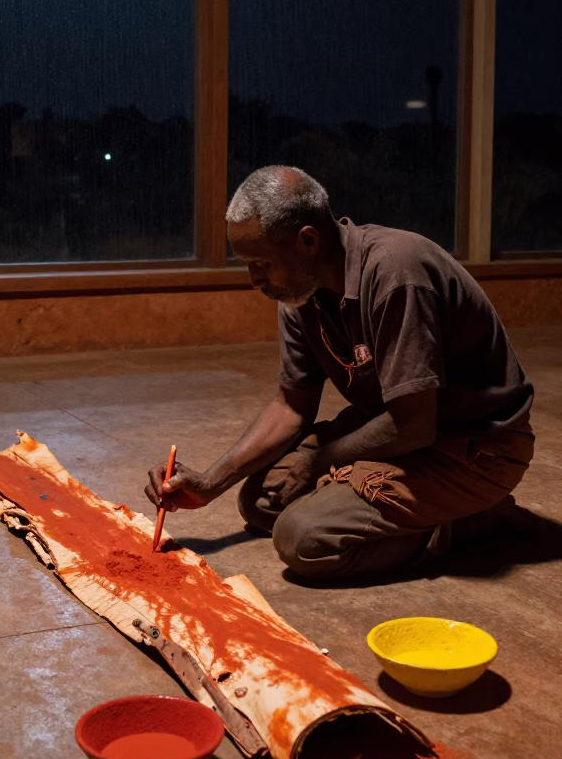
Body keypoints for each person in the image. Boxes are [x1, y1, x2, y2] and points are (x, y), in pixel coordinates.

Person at [145, 166, 534, 580]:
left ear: (308, 241)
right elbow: (291, 406)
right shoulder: (300, 292)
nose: (253, 279)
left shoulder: (395, 274)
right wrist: (208, 483)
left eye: (261, 262)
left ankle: (472, 516)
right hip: (396, 423)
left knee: (302, 540)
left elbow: (415, 425)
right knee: (259, 502)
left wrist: (318, 464)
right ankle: (425, 508)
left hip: (472, 445)